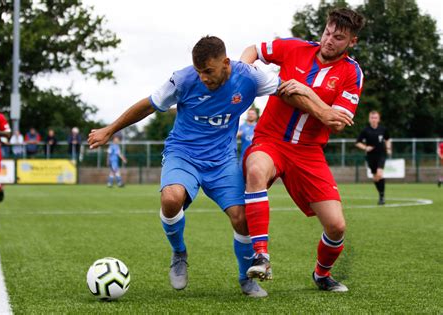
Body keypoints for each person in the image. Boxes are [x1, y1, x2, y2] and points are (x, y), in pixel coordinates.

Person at [88, 36, 285, 298]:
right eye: (199, 71)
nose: (203, 77)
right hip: (183, 154)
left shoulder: (250, 77)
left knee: (242, 218)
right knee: (171, 199)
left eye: (208, 71)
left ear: (226, 63)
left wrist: (322, 108)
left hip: (222, 160)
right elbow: (148, 105)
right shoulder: (182, 80)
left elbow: (287, 89)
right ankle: (179, 252)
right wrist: (110, 130)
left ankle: (246, 278)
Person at [239, 7, 365, 292]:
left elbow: (336, 122)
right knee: (256, 169)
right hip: (270, 139)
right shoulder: (295, 48)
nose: (329, 40)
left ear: (352, 42)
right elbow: (253, 50)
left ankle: (322, 275)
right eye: (327, 32)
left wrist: (305, 92)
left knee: (336, 226)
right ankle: (262, 256)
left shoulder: (352, 73)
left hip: (309, 151)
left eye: (339, 37)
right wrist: (241, 72)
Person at [356, 110, 391, 204]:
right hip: (371, 156)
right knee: (375, 177)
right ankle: (381, 194)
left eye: (375, 117)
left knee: (380, 173)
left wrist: (388, 148)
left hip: (381, 154)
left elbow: (388, 139)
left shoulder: (383, 129)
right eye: (372, 118)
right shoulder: (365, 130)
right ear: (369, 119)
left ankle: (382, 197)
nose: (374, 119)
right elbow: (358, 143)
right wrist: (365, 147)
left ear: (378, 119)